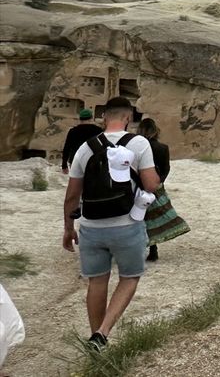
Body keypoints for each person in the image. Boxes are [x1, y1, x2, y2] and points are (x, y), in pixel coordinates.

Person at [62, 96, 161, 351]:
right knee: (129, 277)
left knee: (97, 282)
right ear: (128, 118)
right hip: (127, 224)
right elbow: (151, 185)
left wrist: (68, 228)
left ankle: (97, 343)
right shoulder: (139, 143)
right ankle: (103, 332)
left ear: (104, 117)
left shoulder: (86, 148)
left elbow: (72, 196)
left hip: (91, 227)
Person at [137, 119, 188, 261]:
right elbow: (166, 168)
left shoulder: (136, 147)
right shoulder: (162, 148)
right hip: (156, 186)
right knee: (154, 218)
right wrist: (158, 182)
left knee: (136, 218)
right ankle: (153, 249)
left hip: (137, 186)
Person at [61, 109, 103, 175]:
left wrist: (64, 165)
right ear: (91, 118)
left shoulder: (73, 131)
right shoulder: (98, 130)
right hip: (93, 161)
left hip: (76, 160)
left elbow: (67, 148)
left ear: (80, 119)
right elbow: (104, 147)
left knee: (77, 180)